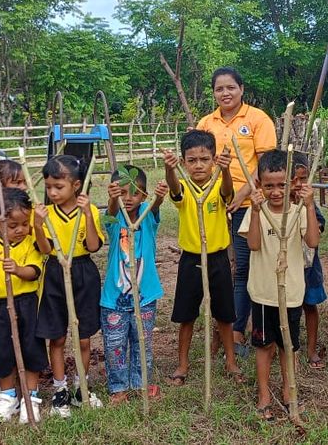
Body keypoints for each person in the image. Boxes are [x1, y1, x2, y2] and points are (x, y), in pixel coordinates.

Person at [197, 67, 277, 356]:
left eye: (231, 87)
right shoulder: (206, 123)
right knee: (219, 265)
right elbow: (199, 161)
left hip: (248, 203)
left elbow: (266, 163)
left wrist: (244, 191)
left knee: (244, 266)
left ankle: (238, 330)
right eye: (219, 89)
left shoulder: (257, 119)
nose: (225, 93)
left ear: (241, 89)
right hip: (215, 202)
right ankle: (222, 325)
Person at [240, 150, 321, 421]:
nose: (275, 192)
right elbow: (252, 244)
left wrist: (309, 206)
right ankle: (264, 394)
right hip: (263, 293)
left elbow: (312, 241)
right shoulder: (257, 212)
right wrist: (253, 211)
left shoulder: (299, 212)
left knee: (289, 346)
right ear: (259, 186)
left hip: (292, 295)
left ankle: (289, 392)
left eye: (282, 185)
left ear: (292, 185)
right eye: (268, 186)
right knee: (263, 347)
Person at [163, 130, 245, 384]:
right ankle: (182, 365)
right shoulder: (184, 186)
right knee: (186, 315)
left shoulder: (219, 182)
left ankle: (230, 361)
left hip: (218, 257)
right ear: (183, 162)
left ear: (213, 159)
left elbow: (228, 194)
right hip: (191, 259)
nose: (198, 165)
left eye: (204, 159)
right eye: (192, 160)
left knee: (224, 314)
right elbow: (175, 190)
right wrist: (170, 171)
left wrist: (227, 170)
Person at [0, 188, 50, 423]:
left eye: (24, 224)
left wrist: (17, 269)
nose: (20, 230)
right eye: (13, 225)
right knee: (1, 349)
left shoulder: (30, 242)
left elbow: (34, 272)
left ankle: (31, 397)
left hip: (27, 303)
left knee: (31, 348)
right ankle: (7, 397)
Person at [40, 155, 106, 415]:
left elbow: (92, 246)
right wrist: (37, 223)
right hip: (55, 272)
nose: (53, 192)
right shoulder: (46, 214)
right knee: (57, 336)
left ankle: (81, 387)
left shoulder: (88, 210)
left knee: (83, 336)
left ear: (76, 185)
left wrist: (88, 214)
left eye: (59, 186)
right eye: (48, 187)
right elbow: (44, 250)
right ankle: (60, 389)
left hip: (83, 272)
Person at [102, 165, 169, 405]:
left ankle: (140, 383)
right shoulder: (112, 218)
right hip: (114, 299)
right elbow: (110, 212)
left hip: (146, 297)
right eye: (121, 192)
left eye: (134, 193)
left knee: (143, 343)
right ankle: (118, 387)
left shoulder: (148, 216)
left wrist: (160, 196)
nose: (127, 198)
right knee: (114, 346)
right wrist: (112, 200)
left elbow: (157, 205)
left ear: (143, 195)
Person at [291, 153, 328, 369]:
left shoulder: (310, 206)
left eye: (303, 179)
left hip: (309, 267)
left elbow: (317, 231)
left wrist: (308, 206)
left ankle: (312, 349)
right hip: (287, 269)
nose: (298, 184)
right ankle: (287, 347)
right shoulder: (277, 205)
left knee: (310, 306)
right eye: (293, 179)